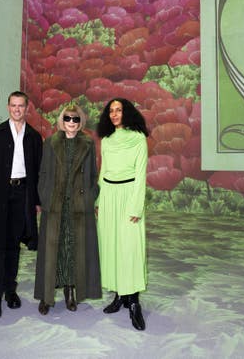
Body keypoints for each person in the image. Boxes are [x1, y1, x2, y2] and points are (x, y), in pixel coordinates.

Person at [0, 91, 42, 319]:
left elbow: (38, 172)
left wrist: (37, 201)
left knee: (13, 246)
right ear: (8, 107)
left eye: (21, 106)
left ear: (27, 108)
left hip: (22, 194)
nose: (17, 109)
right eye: (13, 105)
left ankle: (10, 291)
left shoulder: (34, 136)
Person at [34, 104, 101, 315]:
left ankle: (71, 291)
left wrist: (89, 198)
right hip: (55, 206)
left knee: (73, 249)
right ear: (61, 121)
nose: (71, 123)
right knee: (52, 250)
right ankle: (46, 295)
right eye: (68, 119)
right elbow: (43, 174)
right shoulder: (50, 143)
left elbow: (92, 176)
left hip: (78, 206)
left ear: (80, 122)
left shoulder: (88, 144)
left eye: (76, 119)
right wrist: (45, 198)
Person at [96, 97, 149, 331]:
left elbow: (141, 173)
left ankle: (134, 302)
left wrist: (136, 205)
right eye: (111, 111)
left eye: (119, 110)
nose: (115, 114)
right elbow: (103, 170)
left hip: (129, 195)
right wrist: (98, 199)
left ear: (127, 112)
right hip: (108, 195)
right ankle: (119, 295)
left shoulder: (138, 139)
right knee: (112, 246)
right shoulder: (106, 140)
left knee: (130, 248)